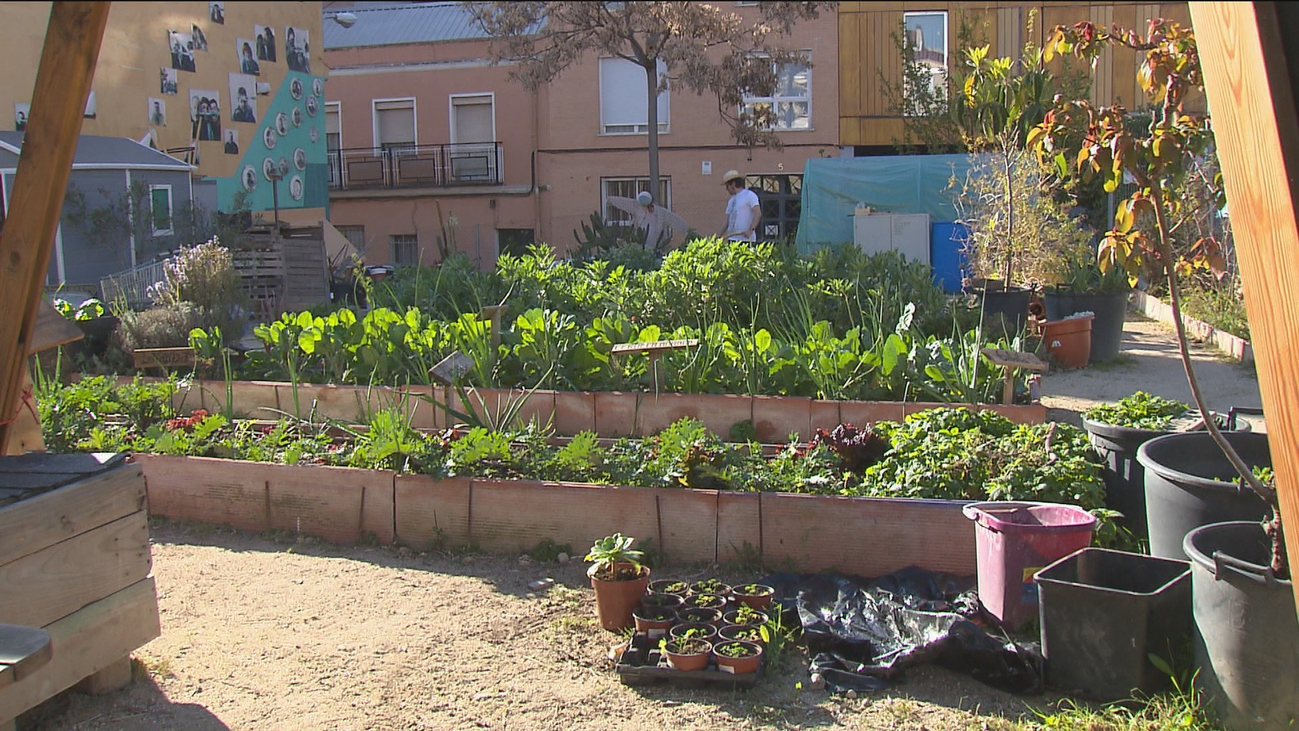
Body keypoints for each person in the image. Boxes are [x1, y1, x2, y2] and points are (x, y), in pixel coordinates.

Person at [606, 191, 691, 251]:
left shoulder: (660, 212)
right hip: (640, 242)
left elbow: (674, 220)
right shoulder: (637, 207)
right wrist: (611, 200)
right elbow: (625, 203)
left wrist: (688, 231)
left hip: (656, 243)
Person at [718, 169, 760, 242]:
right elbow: (726, 221)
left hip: (746, 240)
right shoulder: (731, 201)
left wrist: (750, 230)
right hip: (732, 239)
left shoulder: (749, 195)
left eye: (727, 186)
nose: (726, 189)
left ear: (733, 184)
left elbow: (758, 213)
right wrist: (718, 236)